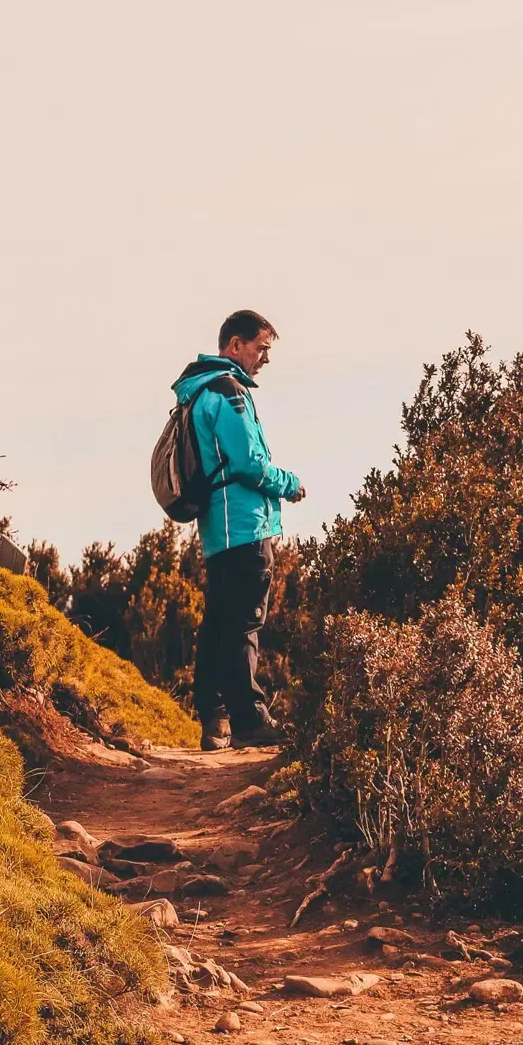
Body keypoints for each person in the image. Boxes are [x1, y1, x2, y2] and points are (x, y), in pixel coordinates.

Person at [171, 310, 306, 750]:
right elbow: (249, 463)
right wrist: (289, 484)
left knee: (218, 624)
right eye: (261, 347)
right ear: (234, 345)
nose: (264, 358)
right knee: (244, 623)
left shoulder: (197, 393)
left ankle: (214, 719)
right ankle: (250, 720)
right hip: (245, 527)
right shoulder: (229, 393)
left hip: (216, 530)